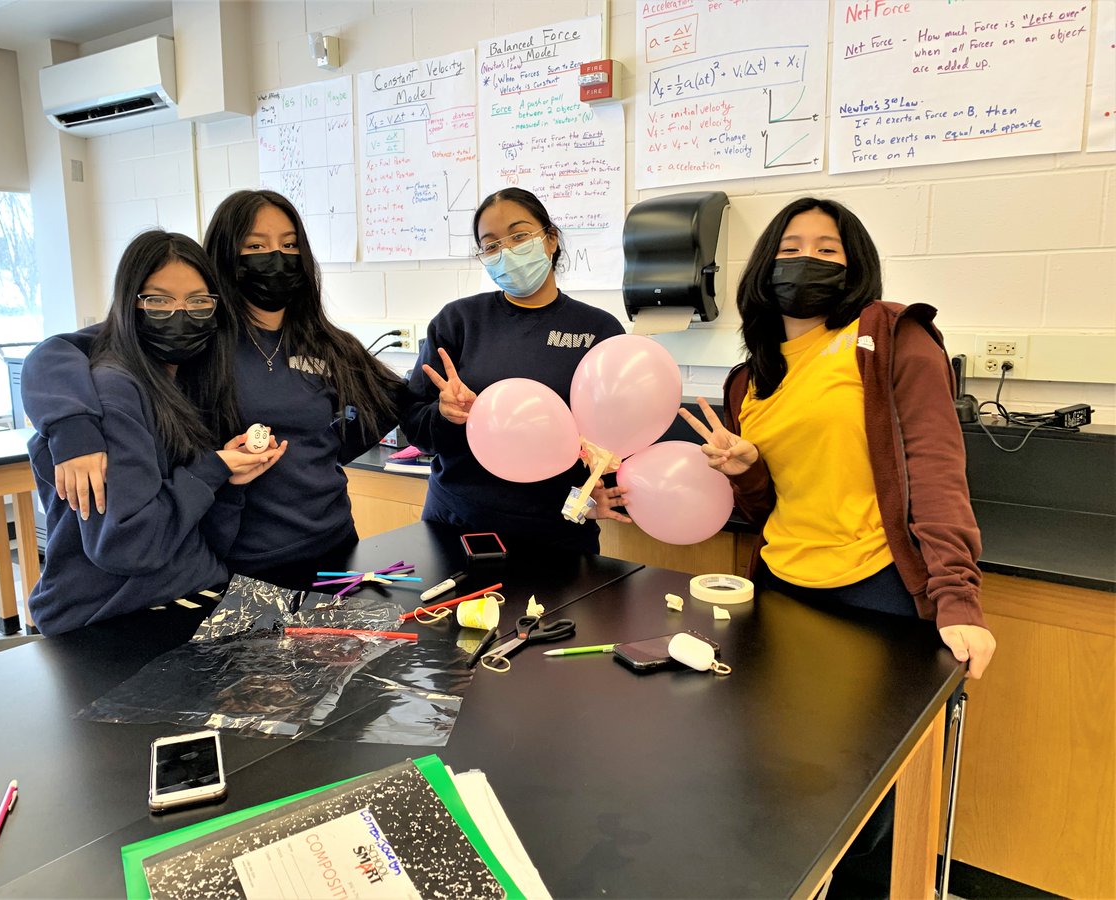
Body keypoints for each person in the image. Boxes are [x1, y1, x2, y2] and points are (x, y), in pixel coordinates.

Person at [680, 195, 996, 897]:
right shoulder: (750, 377)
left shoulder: (891, 339)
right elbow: (769, 505)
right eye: (793, 247)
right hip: (784, 587)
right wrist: (746, 470)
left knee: (867, 799)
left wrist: (957, 597)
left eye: (829, 249)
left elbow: (936, 469)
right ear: (766, 265)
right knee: (782, 770)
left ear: (856, 267)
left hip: (876, 589)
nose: (808, 260)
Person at [21, 190, 405, 589]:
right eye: (256, 245)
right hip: (236, 559)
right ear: (227, 256)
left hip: (334, 545)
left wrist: (325, 448)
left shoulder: (323, 340)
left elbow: (392, 400)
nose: (276, 257)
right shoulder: (200, 330)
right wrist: (73, 428)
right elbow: (65, 350)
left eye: (289, 244)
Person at [25, 231, 285, 635]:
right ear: (132, 304)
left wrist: (227, 480)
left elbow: (200, 534)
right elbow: (127, 545)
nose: (181, 315)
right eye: (159, 301)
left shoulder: (189, 383)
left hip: (189, 594)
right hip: (115, 622)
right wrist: (211, 470)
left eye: (198, 301)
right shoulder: (116, 390)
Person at [402, 188, 631, 554]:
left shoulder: (598, 331)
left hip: (557, 535)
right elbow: (416, 428)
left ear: (551, 239)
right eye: (490, 245)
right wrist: (446, 415)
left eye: (519, 236)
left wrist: (598, 495)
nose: (506, 252)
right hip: (456, 528)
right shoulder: (457, 322)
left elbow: (621, 439)